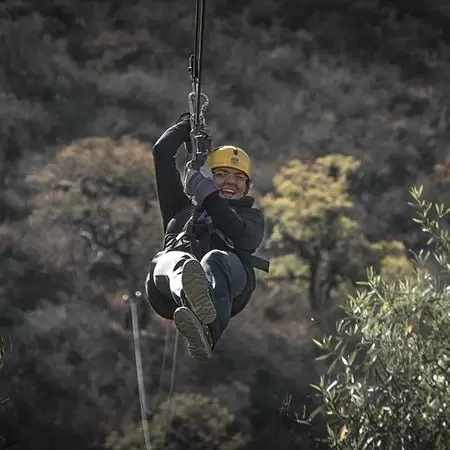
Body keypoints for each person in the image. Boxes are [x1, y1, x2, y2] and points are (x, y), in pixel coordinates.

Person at [145, 113, 270, 360]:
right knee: (175, 259)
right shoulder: (180, 208)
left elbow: (240, 235)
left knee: (214, 258)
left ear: (247, 187)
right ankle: (188, 293)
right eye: (221, 174)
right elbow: (162, 153)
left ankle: (208, 329)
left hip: (225, 291)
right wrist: (188, 125)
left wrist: (207, 193)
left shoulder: (252, 218)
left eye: (238, 177)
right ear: (209, 175)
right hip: (167, 290)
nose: (230, 182)